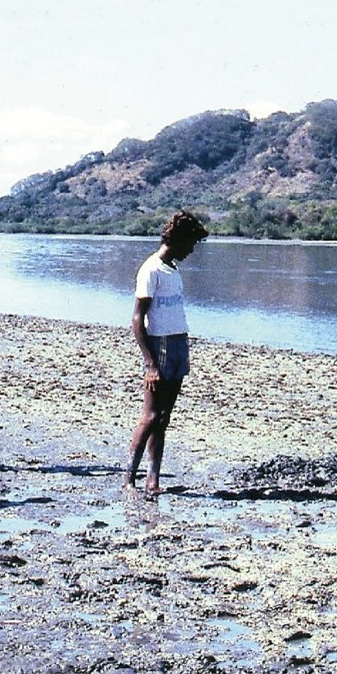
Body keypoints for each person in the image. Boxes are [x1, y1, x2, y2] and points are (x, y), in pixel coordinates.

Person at [124, 210, 209, 497]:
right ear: (177, 239)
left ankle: (153, 480)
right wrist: (150, 363)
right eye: (190, 244)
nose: (191, 250)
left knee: (164, 418)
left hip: (177, 344)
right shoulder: (151, 269)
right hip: (158, 346)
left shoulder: (172, 269)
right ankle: (128, 479)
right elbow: (137, 319)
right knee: (150, 416)